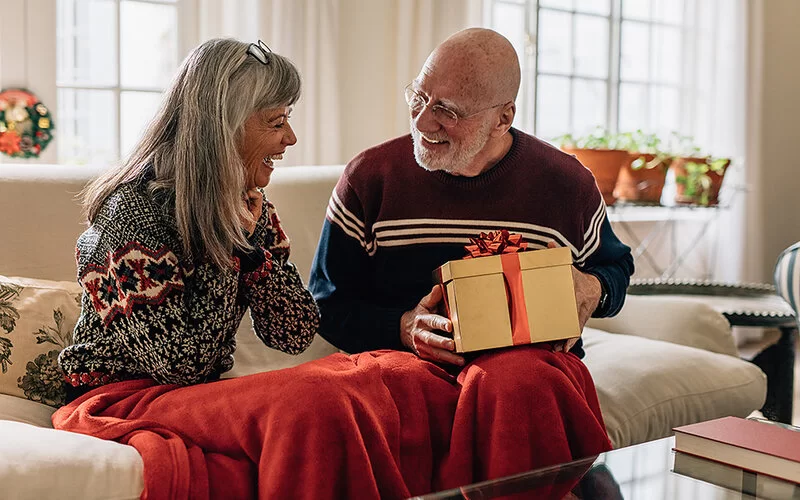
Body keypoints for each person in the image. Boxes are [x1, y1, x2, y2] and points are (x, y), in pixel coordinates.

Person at [53, 38, 455, 500]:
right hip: (121, 398)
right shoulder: (130, 216)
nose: (291, 138)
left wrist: (254, 251)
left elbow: (295, 331)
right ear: (223, 128)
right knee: (315, 402)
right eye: (276, 122)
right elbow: (185, 365)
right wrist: (235, 247)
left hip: (190, 394)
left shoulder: (247, 206)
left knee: (367, 377)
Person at [309, 27, 634, 483]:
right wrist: (401, 327)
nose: (423, 122)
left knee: (511, 381)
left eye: (447, 111)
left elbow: (616, 269)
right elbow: (324, 304)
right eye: (419, 97)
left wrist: (593, 286)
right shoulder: (370, 178)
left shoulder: (566, 184)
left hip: (528, 374)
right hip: (407, 368)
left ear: (503, 118)